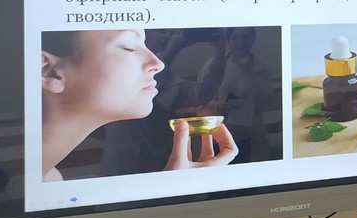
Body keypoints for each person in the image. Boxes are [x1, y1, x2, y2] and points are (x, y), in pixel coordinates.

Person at [41, 29, 237, 181]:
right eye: (129, 47)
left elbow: (197, 94)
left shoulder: (51, 179)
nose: (158, 64)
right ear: (49, 71)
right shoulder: (39, 184)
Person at [98, 28, 228, 177]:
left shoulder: (169, 80)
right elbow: (137, 79)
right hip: (121, 166)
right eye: (161, 31)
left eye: (171, 33)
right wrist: (170, 52)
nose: (167, 36)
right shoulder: (120, 67)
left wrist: (220, 54)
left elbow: (200, 94)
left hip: (157, 166)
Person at [198, 27, 275, 163]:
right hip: (220, 128)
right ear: (229, 41)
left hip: (251, 132)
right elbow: (200, 96)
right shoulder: (215, 64)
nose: (241, 42)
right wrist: (217, 106)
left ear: (253, 39)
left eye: (245, 37)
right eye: (235, 38)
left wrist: (248, 71)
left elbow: (267, 102)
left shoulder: (262, 68)